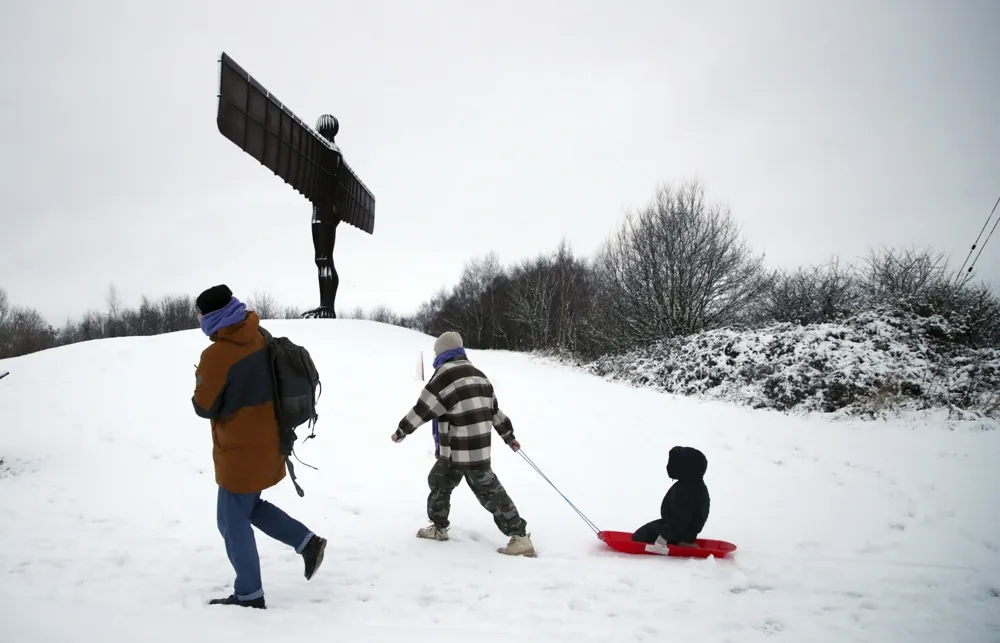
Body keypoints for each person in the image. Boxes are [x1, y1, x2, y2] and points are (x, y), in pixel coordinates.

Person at [192, 284, 327, 608]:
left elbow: (203, 406)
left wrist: (201, 378)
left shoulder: (216, 355)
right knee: (248, 507)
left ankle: (249, 593)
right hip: (272, 440)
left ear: (211, 316)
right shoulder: (260, 334)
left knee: (230, 519)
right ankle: (307, 542)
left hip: (240, 450)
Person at [390, 331, 535, 557]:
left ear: (441, 353)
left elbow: (423, 409)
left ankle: (520, 538)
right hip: (461, 449)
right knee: (439, 480)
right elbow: (494, 411)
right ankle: (439, 528)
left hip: (464, 449)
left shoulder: (444, 376)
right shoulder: (479, 375)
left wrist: (401, 431)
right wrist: (509, 436)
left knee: (489, 492)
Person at [631, 446, 710, 548]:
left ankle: (683, 543)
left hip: (678, 531)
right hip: (684, 531)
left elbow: (681, 519)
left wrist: (663, 538)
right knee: (646, 531)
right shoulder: (695, 485)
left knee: (639, 536)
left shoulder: (686, 490)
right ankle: (685, 540)